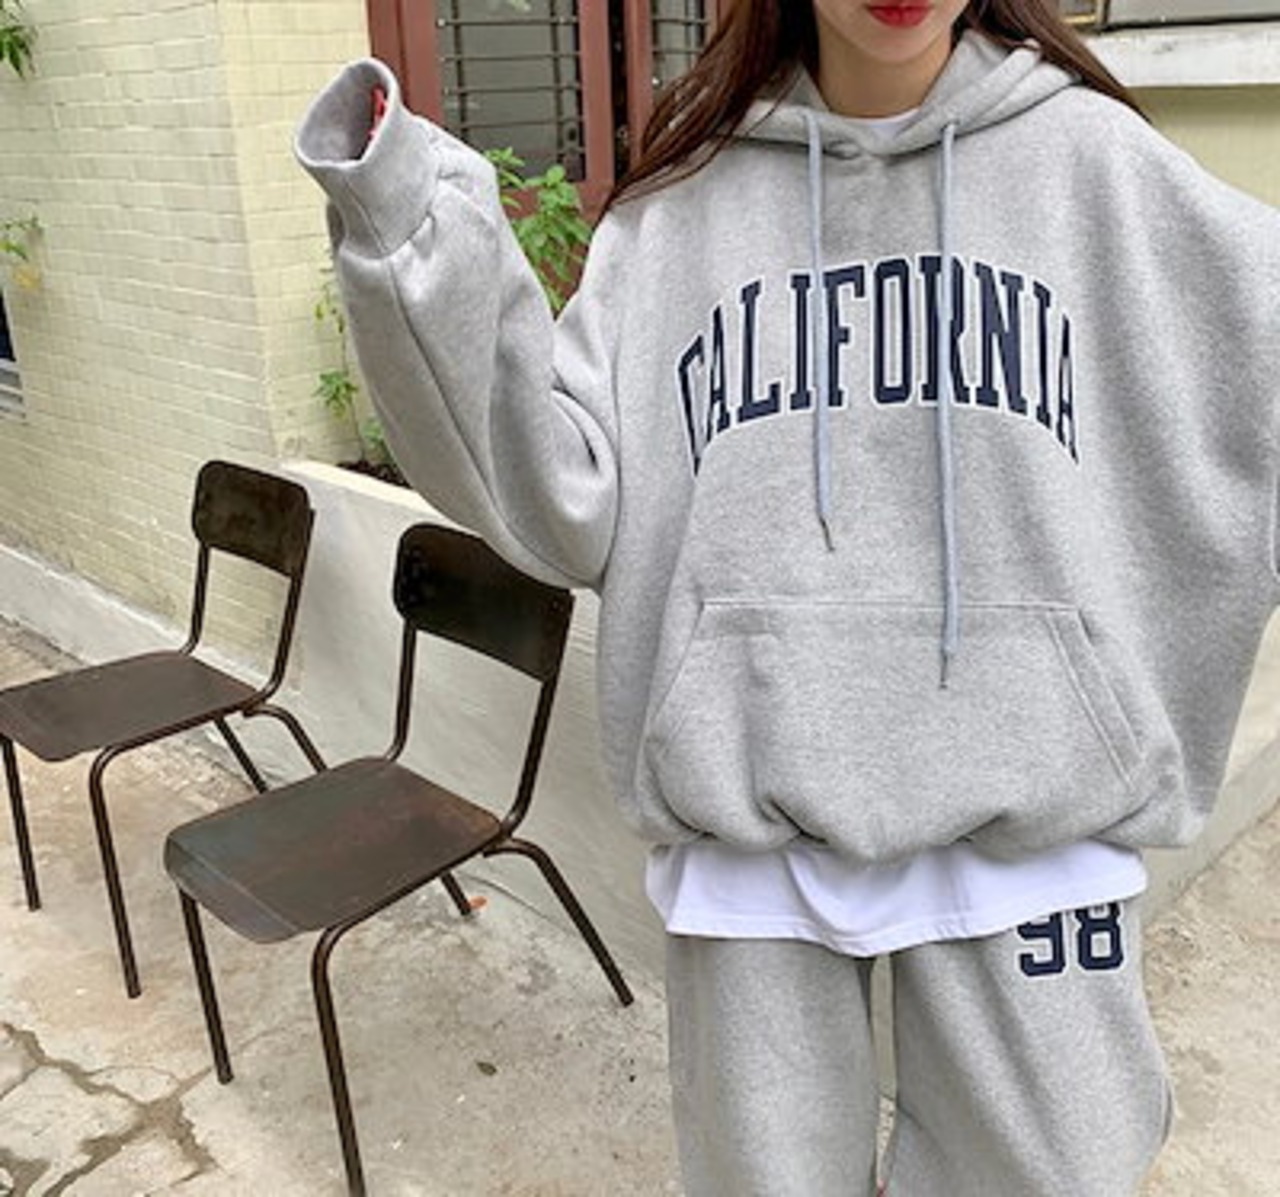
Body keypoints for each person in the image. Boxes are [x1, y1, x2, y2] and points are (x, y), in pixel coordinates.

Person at [295, 2, 1280, 1193]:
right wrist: (408, 219)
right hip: (750, 841)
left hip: (1030, 837)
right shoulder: (681, 211)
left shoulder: (1098, 172)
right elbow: (554, 497)